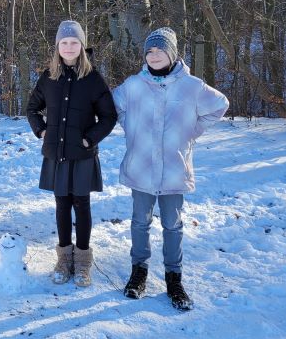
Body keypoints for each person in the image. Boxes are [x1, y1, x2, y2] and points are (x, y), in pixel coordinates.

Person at [113, 27, 228, 311]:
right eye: (149, 51)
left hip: (174, 170)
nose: (153, 56)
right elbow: (112, 108)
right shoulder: (133, 85)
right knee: (140, 221)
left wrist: (191, 130)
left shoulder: (191, 86)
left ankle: (174, 278)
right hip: (141, 168)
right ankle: (138, 272)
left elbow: (220, 105)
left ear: (172, 54)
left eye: (159, 50)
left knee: (172, 225)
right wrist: (131, 128)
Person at [27, 20, 117, 287]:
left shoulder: (93, 79)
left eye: (74, 42)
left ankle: (83, 263)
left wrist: (90, 139)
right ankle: (64, 259)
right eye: (64, 43)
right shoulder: (49, 77)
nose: (69, 47)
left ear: (81, 45)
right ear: (57, 46)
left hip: (82, 155)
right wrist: (42, 131)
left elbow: (109, 116)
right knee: (61, 205)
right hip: (57, 153)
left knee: (82, 204)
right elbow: (32, 108)